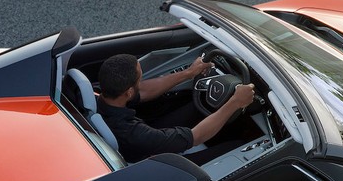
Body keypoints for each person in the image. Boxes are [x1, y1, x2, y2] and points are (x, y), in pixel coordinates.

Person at [95, 52, 254, 163]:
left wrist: (189, 73)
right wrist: (236, 102)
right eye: (139, 79)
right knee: (238, 146)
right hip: (153, 164)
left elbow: (143, 91)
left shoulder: (100, 98)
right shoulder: (135, 134)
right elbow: (196, 137)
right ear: (128, 92)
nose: (140, 83)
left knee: (194, 109)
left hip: (136, 144)